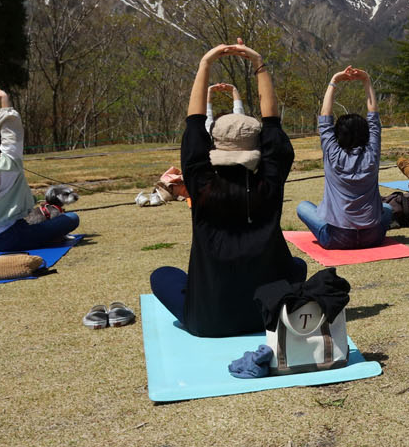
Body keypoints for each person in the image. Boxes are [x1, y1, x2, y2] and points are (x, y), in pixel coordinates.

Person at [149, 42, 301, 336]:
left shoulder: (201, 184)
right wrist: (259, 63)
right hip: (268, 315)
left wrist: (205, 64)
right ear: (258, 147)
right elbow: (272, 122)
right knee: (294, 265)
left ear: (214, 144)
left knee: (162, 276)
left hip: (209, 321)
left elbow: (194, 124)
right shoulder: (269, 182)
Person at [0, 87, 78, 252]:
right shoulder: (8, 165)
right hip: (15, 236)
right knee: (72, 219)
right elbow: (12, 136)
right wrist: (5, 101)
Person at [298, 66, 394, 250]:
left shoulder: (332, 152)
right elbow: (374, 118)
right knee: (387, 209)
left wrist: (334, 81)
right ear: (366, 134)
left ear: (338, 135)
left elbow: (325, 119)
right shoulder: (372, 153)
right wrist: (366, 81)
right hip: (372, 236)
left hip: (337, 238)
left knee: (303, 207)